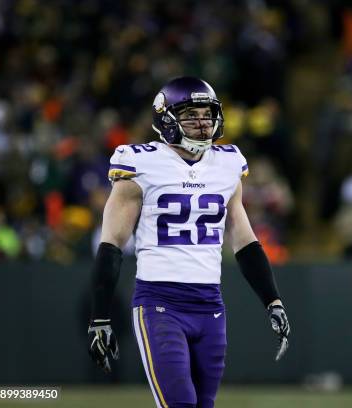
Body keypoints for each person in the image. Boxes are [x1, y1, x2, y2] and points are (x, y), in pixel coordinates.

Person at [86, 77, 290, 408]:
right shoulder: (139, 162)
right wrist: (100, 317)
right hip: (160, 303)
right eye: (190, 114)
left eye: (207, 114)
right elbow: (111, 244)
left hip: (210, 305)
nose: (202, 122)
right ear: (165, 119)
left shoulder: (227, 163)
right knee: (180, 403)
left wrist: (273, 300)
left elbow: (244, 239)